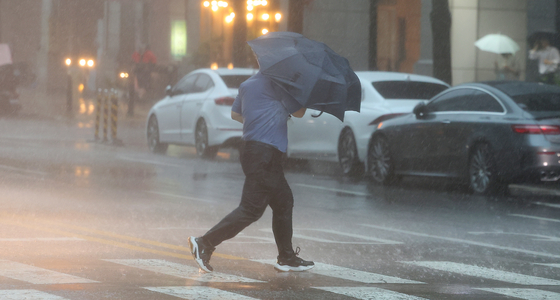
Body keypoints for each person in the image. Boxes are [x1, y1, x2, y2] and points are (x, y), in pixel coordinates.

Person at [188, 70, 314, 273]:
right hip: (264, 154)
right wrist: (304, 95)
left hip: (252, 150)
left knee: (283, 202)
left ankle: (286, 257)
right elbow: (299, 112)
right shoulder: (278, 83)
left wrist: (262, 116)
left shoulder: (248, 84)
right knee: (251, 209)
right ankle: (204, 242)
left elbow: (236, 114)